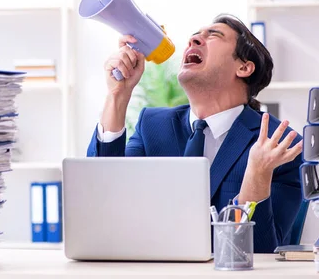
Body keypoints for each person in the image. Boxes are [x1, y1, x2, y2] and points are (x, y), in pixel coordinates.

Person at [86, 13, 304, 253]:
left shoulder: (278, 144)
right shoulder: (152, 126)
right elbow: (104, 200)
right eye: (194, 36)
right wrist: (118, 94)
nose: (194, 40)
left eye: (213, 35)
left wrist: (257, 176)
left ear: (244, 67)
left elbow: (263, 253)